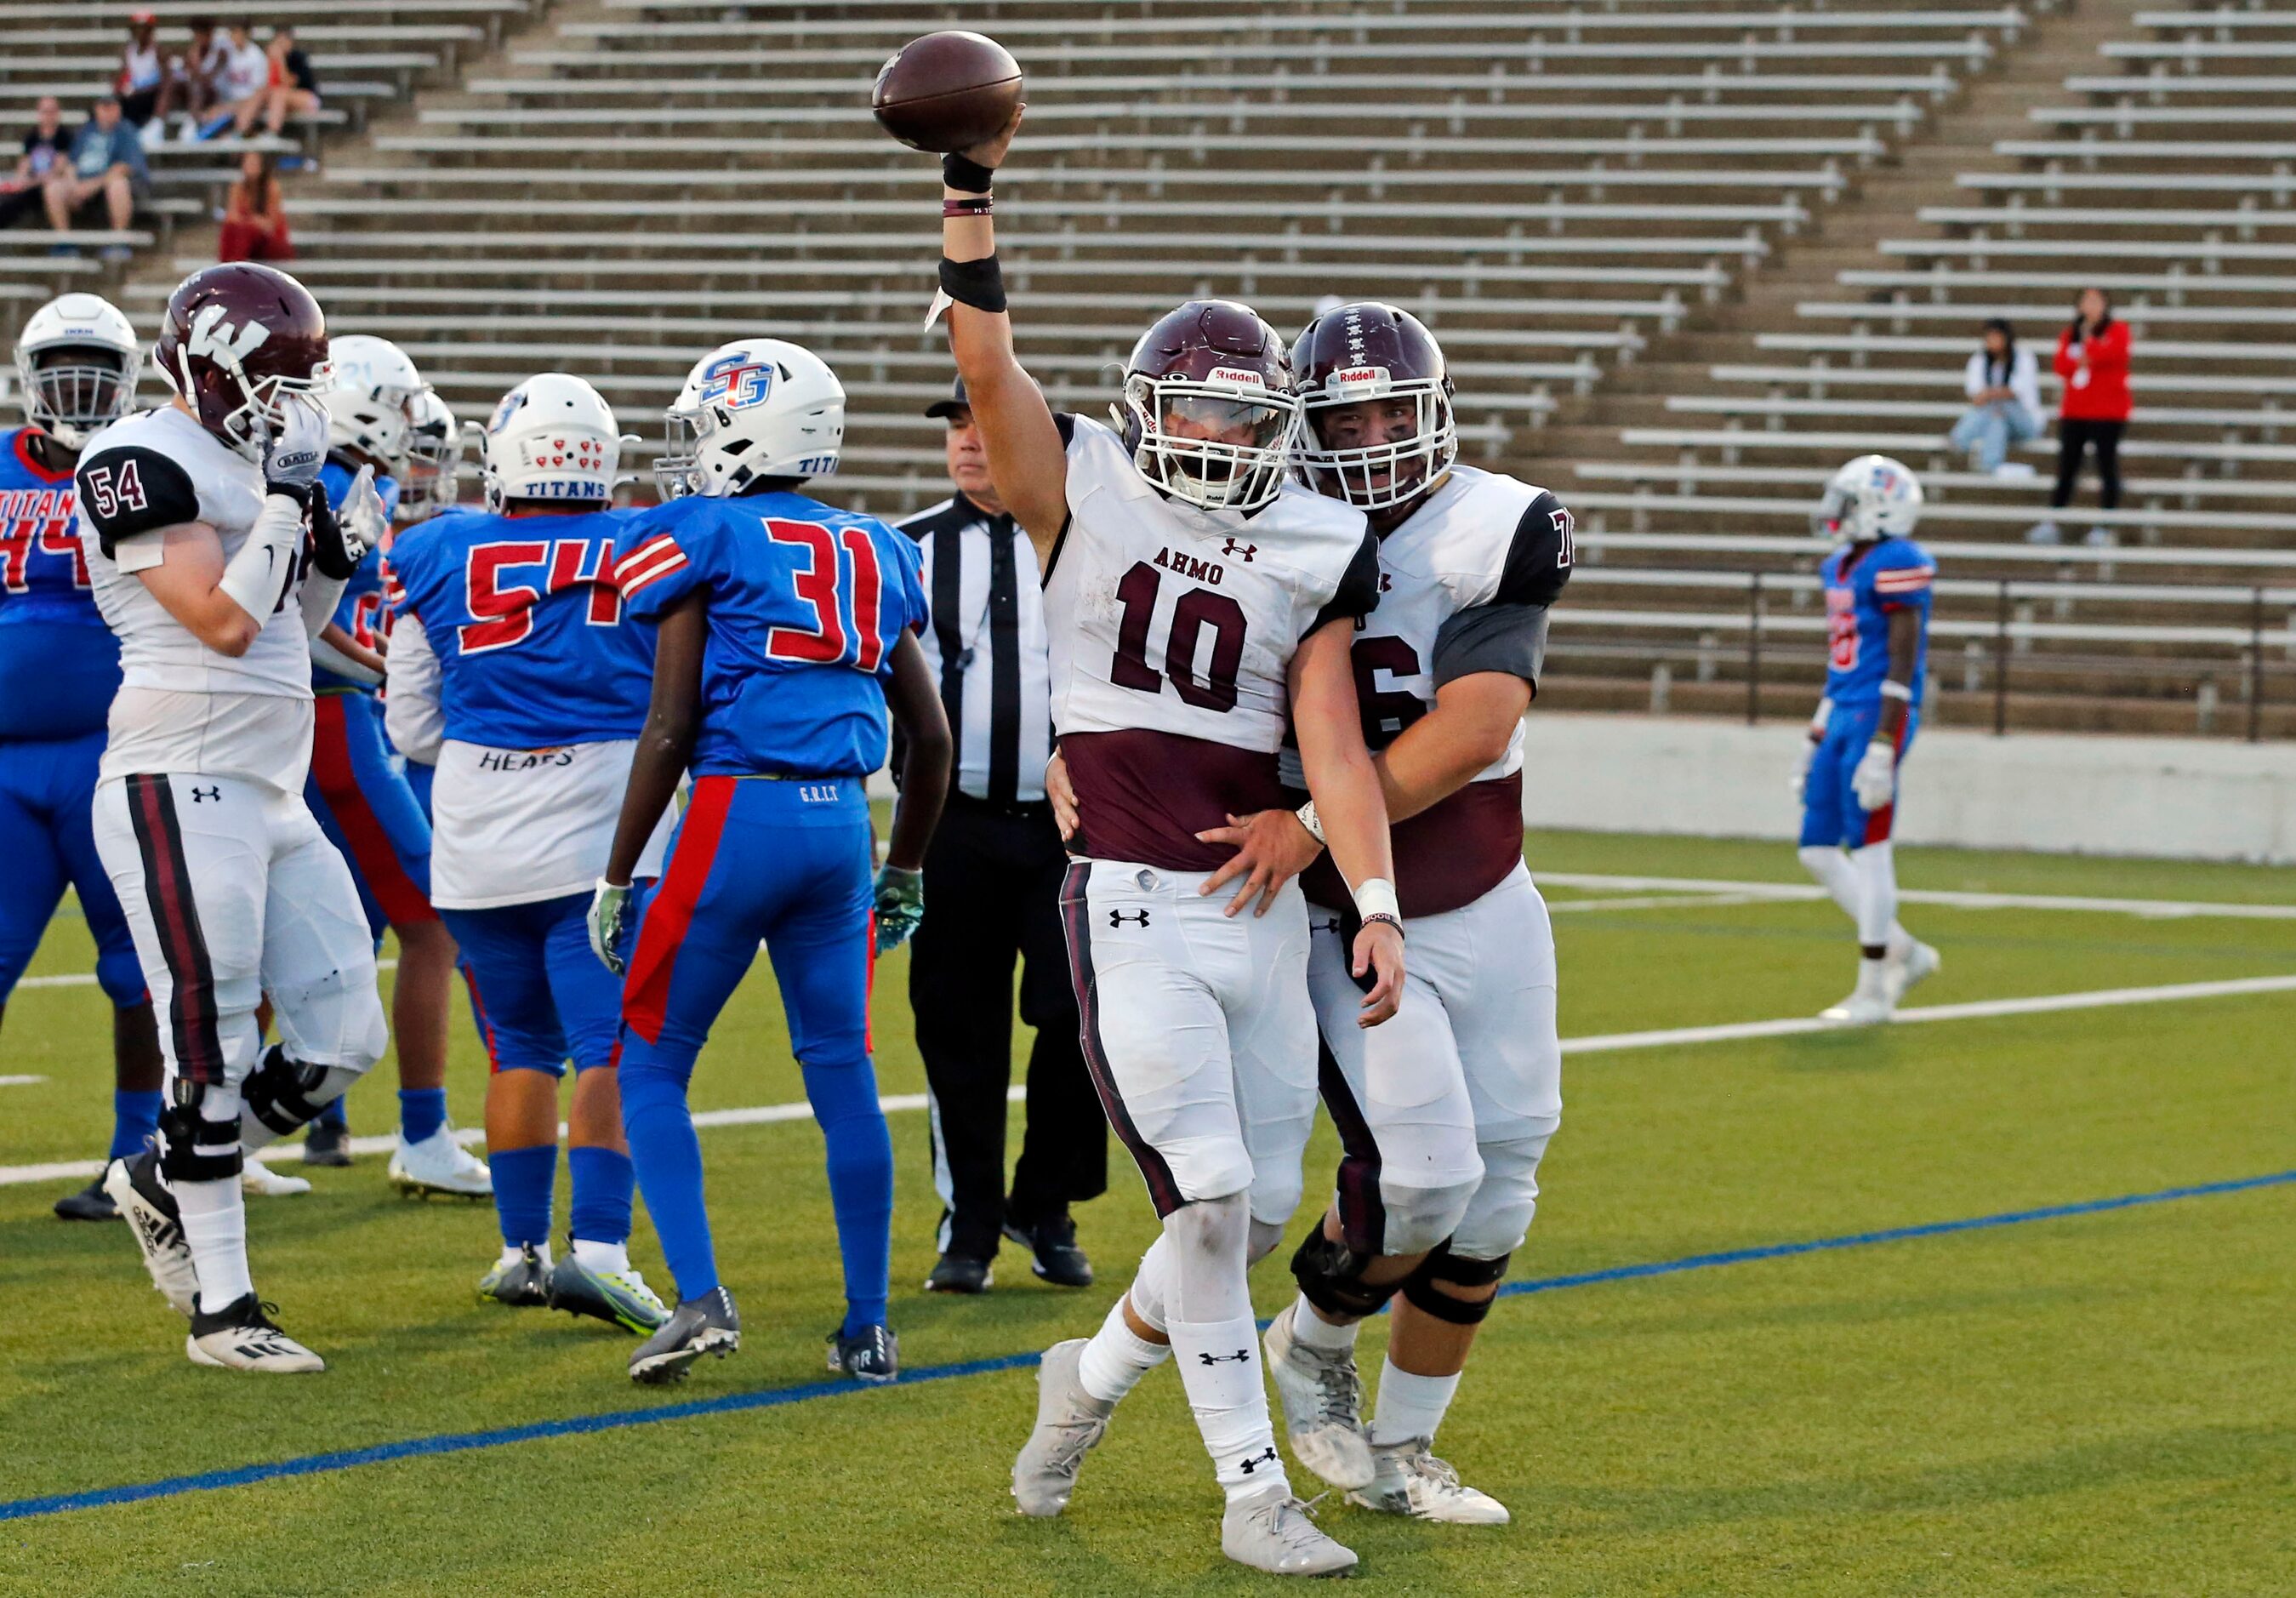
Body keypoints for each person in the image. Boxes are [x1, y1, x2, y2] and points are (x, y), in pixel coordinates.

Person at [925, 120, 1404, 1579]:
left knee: (1249, 1215)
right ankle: (1251, 1489)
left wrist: (1366, 890)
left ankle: (1087, 1375)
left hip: (1261, 910)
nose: (1211, 436)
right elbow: (987, 368)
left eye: (1236, 416)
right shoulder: (1081, 489)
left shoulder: (1315, 539)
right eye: (1188, 413)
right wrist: (966, 194)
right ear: (1146, 415)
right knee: (1201, 1199)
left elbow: (1328, 733)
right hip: (1128, 896)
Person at [1220, 303, 1570, 1526]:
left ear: (1433, 409)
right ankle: (1314, 1342)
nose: (1370, 437)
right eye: (1343, 416)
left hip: (1481, 884)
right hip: (1337, 917)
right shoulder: (1260, 528)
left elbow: (1475, 724)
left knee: (1504, 1179)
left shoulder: (1494, 523)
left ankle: (1404, 1448)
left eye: (1389, 410)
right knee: (1422, 1176)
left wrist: (1316, 817)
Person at [590, 337, 949, 1385]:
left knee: (650, 1061)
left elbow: (667, 728)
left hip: (736, 816)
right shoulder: (880, 546)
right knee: (842, 1071)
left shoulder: (703, 530)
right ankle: (868, 1324)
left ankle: (700, 1298)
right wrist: (907, 868)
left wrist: (618, 875)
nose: (690, 451)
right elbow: (928, 741)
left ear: (752, 431)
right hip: (844, 828)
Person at [83, 262, 388, 1372]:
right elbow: (218, 620)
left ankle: (164, 1170)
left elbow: (287, 628)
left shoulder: (256, 465)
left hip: (270, 783)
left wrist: (324, 548)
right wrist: (284, 504)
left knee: (345, 1034)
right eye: (272, 380)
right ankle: (225, 1308)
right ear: (205, 365)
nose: (285, 404)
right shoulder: (133, 457)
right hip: (178, 774)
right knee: (212, 1045)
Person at [385, 373, 677, 1331]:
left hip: (471, 831)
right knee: (610, 1047)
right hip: (597, 826)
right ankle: (598, 1248)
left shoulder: (435, 548)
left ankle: (520, 1252)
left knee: (519, 1046)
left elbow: (412, 725)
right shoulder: (643, 541)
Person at [897, 374, 1103, 1297]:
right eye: (955, 427)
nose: (969, 441)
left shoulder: (1086, 543)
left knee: (1080, 1021)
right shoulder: (904, 551)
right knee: (957, 1031)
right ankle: (970, 1225)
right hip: (954, 828)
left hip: (1071, 831)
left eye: (985, 423)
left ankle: (1044, 1202)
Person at [291, 334, 487, 1196]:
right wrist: (386, 672)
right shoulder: (334, 485)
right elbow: (297, 624)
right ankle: (421, 1130)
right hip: (336, 727)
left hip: (314, 725)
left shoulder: (343, 481)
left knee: (296, 936)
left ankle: (237, 1120)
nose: (409, 425)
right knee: (428, 923)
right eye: (401, 404)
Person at [0, 294, 164, 1222]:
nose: (78, 389)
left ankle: (133, 1156)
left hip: (115, 752)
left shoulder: (144, 465)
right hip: (6, 766)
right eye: (62, 369)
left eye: (97, 370)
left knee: (137, 964)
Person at [1794, 454, 1941, 1025]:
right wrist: (1812, 736)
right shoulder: (1839, 566)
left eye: (1849, 501)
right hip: (1841, 712)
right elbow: (1839, 663)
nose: (1837, 512)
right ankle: (1906, 950)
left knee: (1871, 849)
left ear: (1880, 507)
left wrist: (1883, 741)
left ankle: (1874, 989)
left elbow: (1902, 661)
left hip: (1879, 713)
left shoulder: (1898, 561)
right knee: (1816, 849)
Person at [382, 388, 459, 816]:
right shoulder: (348, 522)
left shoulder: (448, 540)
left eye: (427, 458)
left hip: (420, 722)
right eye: (408, 456)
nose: (415, 473)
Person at [2033, 288, 2131, 545]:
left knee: (2106, 465)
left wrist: (2089, 352)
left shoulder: (2117, 330)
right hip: (2075, 410)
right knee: (2067, 466)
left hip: (2108, 411)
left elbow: (2113, 355)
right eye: (2086, 301)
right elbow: (2061, 366)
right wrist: (2087, 355)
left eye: (2096, 301)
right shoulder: (2071, 334)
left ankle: (2106, 523)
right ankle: (2053, 519)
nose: (2091, 306)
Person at [43, 97, 146, 257]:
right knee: (54, 187)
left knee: (118, 184)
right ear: (96, 110)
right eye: (103, 108)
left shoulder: (126, 131)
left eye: (111, 107)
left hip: (107, 185)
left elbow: (124, 167)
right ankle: (64, 241)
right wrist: (73, 185)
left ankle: (119, 240)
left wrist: (93, 185)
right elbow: (71, 163)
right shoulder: (87, 131)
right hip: (82, 183)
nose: (107, 112)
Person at [1946, 317, 2042, 475]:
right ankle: (1989, 465)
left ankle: (1959, 439)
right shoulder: (1980, 360)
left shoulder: (2023, 358)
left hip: (2024, 422)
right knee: (1998, 418)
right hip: (1997, 418)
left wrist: (1990, 394)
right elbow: (1977, 399)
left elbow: (2014, 393)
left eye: (1996, 337)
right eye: (1989, 338)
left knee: (2000, 406)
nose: (1992, 342)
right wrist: (1994, 395)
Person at [1, 98, 71, 231]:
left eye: (51, 111)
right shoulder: (32, 137)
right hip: (32, 185)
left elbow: (59, 169)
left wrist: (31, 182)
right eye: (45, 111)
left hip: (51, 185)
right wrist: (19, 182)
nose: (48, 115)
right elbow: (24, 165)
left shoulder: (64, 136)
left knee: (52, 189)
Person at [240, 24, 321, 140]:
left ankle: (272, 132)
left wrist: (280, 61)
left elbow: (288, 83)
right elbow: (265, 83)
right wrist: (269, 62)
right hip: (279, 100)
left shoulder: (297, 58)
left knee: (279, 93)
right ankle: (242, 129)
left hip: (305, 98)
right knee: (260, 93)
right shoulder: (268, 59)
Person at [155, 18, 228, 142]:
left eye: (203, 34)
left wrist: (193, 72)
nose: (200, 37)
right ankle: (157, 123)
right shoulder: (193, 52)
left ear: (210, 34)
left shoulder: (220, 52)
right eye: (197, 34)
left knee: (196, 84)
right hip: (195, 94)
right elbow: (185, 72)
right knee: (172, 81)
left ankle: (192, 122)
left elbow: (210, 78)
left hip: (214, 94)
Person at [217, 150, 291, 263]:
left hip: (269, 242)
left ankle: (233, 266)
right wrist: (251, 221)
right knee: (232, 230)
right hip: (246, 238)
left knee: (245, 231)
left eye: (254, 163)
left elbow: (270, 226)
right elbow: (231, 217)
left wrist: (249, 221)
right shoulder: (238, 187)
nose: (251, 167)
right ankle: (229, 268)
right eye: (248, 163)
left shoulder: (271, 188)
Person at [202, 22, 269, 142]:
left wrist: (230, 107)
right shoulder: (223, 53)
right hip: (225, 103)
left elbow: (258, 92)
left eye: (238, 33)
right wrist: (218, 63)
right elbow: (207, 76)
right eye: (233, 33)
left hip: (246, 104)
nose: (234, 37)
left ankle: (239, 134)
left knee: (247, 110)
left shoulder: (256, 56)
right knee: (208, 115)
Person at [117, 12, 168, 140]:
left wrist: (142, 89)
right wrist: (122, 87)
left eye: (144, 29)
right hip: (133, 92)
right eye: (137, 29)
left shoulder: (158, 51)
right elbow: (122, 75)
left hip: (151, 93)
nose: (141, 33)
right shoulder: (128, 50)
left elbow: (165, 79)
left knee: (135, 103)